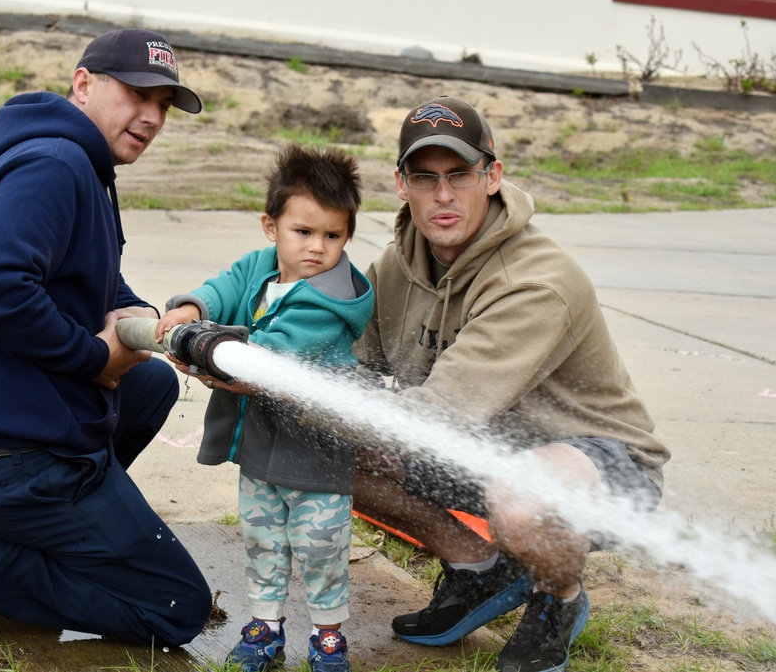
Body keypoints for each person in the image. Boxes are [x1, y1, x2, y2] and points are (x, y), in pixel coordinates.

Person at [0, 28, 212, 645]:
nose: (151, 117)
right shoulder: (57, 164)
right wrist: (93, 358)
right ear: (84, 83)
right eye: (138, 94)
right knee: (176, 608)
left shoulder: (76, 159)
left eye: (165, 105)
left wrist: (146, 318)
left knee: (147, 381)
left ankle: (57, 528)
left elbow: (89, 275)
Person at [348, 96, 670, 672]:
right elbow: (350, 366)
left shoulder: (536, 282)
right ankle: (477, 569)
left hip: (600, 463)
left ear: (492, 176)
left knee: (519, 503)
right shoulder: (396, 266)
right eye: (425, 177)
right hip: (482, 445)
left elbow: (442, 410)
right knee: (325, 447)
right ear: (401, 184)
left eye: (460, 176)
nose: (443, 196)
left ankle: (558, 600)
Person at [155, 144, 373, 672]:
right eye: (304, 232)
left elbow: (273, 358)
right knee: (263, 538)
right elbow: (226, 286)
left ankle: (326, 637)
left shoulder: (331, 300)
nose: (318, 248)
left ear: (347, 235)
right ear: (270, 227)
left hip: (315, 454)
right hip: (260, 449)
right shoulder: (262, 267)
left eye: (333, 235)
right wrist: (192, 308)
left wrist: (214, 363)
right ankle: (265, 628)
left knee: (319, 545)